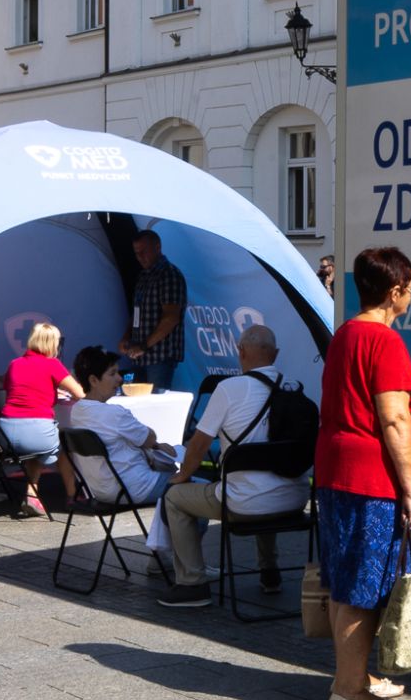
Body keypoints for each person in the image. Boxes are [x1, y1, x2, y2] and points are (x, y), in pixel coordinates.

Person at [313, 247, 411, 700]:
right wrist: (410, 489)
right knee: (365, 586)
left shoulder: (346, 333)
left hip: (336, 472)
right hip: (371, 479)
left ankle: (355, 675)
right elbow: (394, 419)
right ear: (396, 291)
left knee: (346, 581)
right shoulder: (385, 342)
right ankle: (347, 689)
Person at [154, 324, 307, 609]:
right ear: (276, 354)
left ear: (240, 351)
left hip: (244, 504)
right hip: (295, 500)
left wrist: (183, 475)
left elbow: (199, 445)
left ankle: (191, 583)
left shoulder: (229, 389)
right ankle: (269, 573)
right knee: (266, 476)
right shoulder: (294, 388)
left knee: (175, 497)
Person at [66, 343, 179, 505]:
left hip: (99, 491)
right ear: (93, 380)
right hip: (135, 488)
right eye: (112, 374)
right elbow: (150, 438)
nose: (119, 378)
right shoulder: (115, 414)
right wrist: (155, 445)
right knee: (194, 487)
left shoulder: (77, 411)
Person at [0, 321, 84, 518]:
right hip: (37, 431)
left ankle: (32, 493)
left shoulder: (14, 364)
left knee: (35, 449)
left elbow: (14, 390)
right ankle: (72, 496)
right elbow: (79, 393)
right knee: (64, 446)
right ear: (53, 344)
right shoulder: (52, 364)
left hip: (5, 433)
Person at [120, 228, 187, 390]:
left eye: (144, 252)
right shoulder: (143, 276)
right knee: (135, 403)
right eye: (137, 253)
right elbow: (137, 313)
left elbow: (171, 317)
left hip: (160, 357)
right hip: (138, 356)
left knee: (156, 403)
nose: (140, 257)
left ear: (158, 247)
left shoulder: (169, 275)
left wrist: (144, 345)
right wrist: (127, 337)